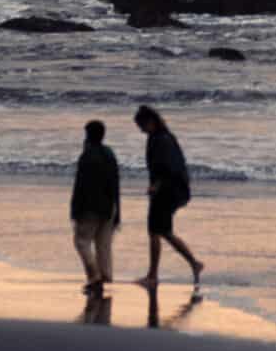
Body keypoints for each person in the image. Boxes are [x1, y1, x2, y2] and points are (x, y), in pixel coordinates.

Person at [133, 102, 204, 289]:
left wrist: (155, 185)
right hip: (168, 191)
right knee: (160, 232)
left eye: (142, 126)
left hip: (167, 191)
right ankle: (191, 264)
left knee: (158, 232)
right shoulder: (159, 137)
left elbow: (168, 168)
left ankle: (155, 275)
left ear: (151, 122)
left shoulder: (162, 139)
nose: (141, 130)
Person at [69, 116, 121, 296]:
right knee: (103, 244)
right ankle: (105, 275)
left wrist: (75, 210)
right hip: (109, 206)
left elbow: (80, 185)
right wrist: (118, 211)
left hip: (90, 206)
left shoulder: (87, 156)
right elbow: (115, 183)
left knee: (81, 241)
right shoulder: (109, 153)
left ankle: (93, 275)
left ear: (88, 136)